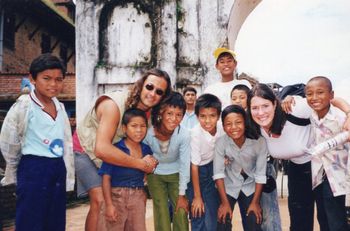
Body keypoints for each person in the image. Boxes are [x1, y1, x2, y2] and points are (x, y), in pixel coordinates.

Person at [73, 68, 171, 231]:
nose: (152, 94)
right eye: (149, 87)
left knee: (117, 206)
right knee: (100, 200)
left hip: (111, 156)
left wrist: (151, 161)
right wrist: (140, 164)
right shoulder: (114, 105)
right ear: (141, 85)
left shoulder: (149, 113)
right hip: (85, 149)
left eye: (159, 92)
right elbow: (102, 149)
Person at [247, 83, 350, 231]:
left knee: (330, 220)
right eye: (255, 108)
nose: (260, 112)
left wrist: (349, 113)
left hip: (323, 166)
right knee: (299, 222)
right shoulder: (253, 126)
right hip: (296, 168)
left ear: (275, 103)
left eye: (265, 106)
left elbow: (329, 100)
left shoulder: (294, 109)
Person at [0, 53, 74, 231]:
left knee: (55, 220)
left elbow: (66, 141)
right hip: (33, 167)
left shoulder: (60, 106)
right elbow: (8, 141)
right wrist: (16, 167)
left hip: (57, 167)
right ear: (32, 79)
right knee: (30, 220)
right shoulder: (24, 105)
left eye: (58, 79)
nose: (53, 84)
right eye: (46, 78)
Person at [230, 85, 282, 231]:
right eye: (234, 98)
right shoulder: (233, 119)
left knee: (269, 214)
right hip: (243, 173)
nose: (238, 101)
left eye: (242, 97)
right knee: (254, 216)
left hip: (263, 170)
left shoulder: (259, 117)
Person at [305, 76, 350, 231]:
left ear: (330, 95)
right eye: (309, 93)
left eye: (320, 92)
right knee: (323, 218)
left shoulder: (340, 116)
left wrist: (327, 145)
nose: (314, 97)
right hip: (319, 176)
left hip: (339, 178)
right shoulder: (311, 115)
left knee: (338, 221)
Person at [214, 105, 267, 231]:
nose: (233, 128)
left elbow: (260, 174)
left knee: (254, 220)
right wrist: (224, 203)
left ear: (245, 122)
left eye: (238, 122)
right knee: (222, 220)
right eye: (228, 124)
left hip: (250, 185)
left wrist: (255, 202)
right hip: (228, 185)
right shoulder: (221, 142)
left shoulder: (259, 142)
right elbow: (218, 173)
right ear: (223, 125)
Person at [98, 108, 152, 231]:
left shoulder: (146, 150)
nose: (139, 130)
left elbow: (149, 170)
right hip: (116, 196)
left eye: (143, 126)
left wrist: (151, 166)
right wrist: (109, 205)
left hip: (138, 197)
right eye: (134, 126)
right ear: (124, 128)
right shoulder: (115, 150)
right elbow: (106, 179)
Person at [143, 92, 190, 231]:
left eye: (178, 114)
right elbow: (143, 153)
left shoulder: (184, 135)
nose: (173, 119)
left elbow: (185, 165)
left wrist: (182, 194)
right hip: (155, 175)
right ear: (161, 113)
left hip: (176, 175)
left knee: (181, 211)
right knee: (161, 211)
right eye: (169, 113)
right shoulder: (149, 133)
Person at [187, 93, 223, 231]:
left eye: (212, 116)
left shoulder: (221, 127)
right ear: (197, 116)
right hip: (196, 174)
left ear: (218, 116)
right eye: (202, 116)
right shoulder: (195, 134)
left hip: (212, 170)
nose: (207, 121)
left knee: (212, 213)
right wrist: (197, 196)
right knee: (198, 212)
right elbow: (194, 166)